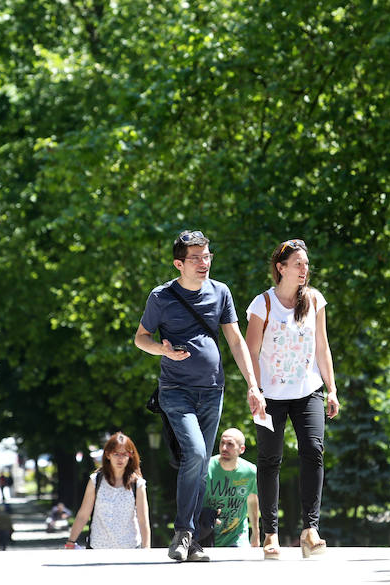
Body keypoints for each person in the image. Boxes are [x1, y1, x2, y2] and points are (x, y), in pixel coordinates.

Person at [134, 229, 262, 562]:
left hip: (212, 390)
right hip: (175, 390)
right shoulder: (161, 297)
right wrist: (161, 350)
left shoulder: (221, 292)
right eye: (196, 258)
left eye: (207, 256)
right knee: (194, 452)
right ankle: (183, 531)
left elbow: (235, 341)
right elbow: (141, 338)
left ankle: (190, 541)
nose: (204, 263)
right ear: (179, 264)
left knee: (202, 464)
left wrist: (252, 384)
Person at [244, 238, 340, 560]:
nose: (304, 269)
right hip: (269, 395)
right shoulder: (263, 304)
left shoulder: (314, 300)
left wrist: (332, 388)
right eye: (298, 264)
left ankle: (310, 531)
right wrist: (254, 389)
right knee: (270, 459)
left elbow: (322, 347)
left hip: (308, 390)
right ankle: (270, 534)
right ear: (281, 268)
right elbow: (251, 352)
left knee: (313, 450)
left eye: (306, 264)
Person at [66, 432, 151, 550]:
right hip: (98, 548)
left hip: (129, 549)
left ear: (130, 456)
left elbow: (143, 520)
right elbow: (83, 515)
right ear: (107, 454)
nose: (120, 459)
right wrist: (71, 542)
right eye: (116, 454)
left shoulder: (137, 484)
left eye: (125, 454)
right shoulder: (96, 480)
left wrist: (146, 549)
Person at [203, 428, 259, 548]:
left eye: (230, 444)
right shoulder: (206, 468)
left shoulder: (250, 471)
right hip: (207, 535)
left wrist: (256, 533)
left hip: (237, 537)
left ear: (241, 449)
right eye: (222, 443)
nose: (224, 448)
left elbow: (252, 500)